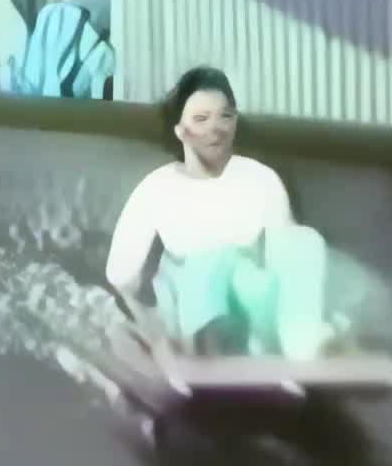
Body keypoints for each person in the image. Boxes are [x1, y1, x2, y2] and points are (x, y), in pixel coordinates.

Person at [105, 65, 337, 363]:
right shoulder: (156, 189)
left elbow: (286, 258)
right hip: (191, 314)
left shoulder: (261, 179)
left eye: (224, 117)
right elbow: (123, 277)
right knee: (211, 263)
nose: (215, 129)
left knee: (303, 241)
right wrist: (154, 333)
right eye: (201, 119)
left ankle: (305, 344)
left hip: (256, 314)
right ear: (180, 130)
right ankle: (213, 349)